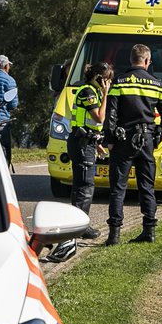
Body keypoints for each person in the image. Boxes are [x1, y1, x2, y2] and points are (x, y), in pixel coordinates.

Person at [103, 44, 162, 245]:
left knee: (118, 188)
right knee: (147, 187)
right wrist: (158, 136)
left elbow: (111, 115)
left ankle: (114, 235)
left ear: (131, 60)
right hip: (147, 140)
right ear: (147, 61)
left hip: (124, 140)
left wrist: (110, 140)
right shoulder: (156, 84)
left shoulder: (119, 82)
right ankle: (148, 231)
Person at [46, 63, 112, 262]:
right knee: (84, 186)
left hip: (86, 141)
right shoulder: (87, 92)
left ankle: (82, 224)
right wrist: (106, 93)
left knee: (83, 186)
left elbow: (91, 125)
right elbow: (99, 117)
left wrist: (97, 145)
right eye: (107, 79)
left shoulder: (92, 91)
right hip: (80, 143)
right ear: (100, 78)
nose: (109, 83)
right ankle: (77, 228)